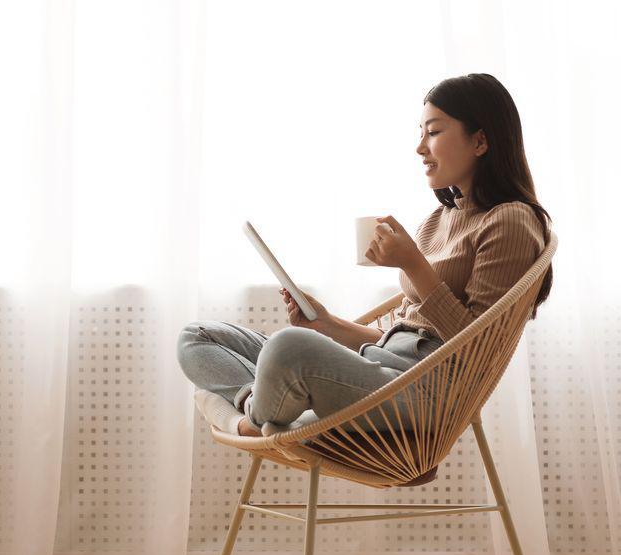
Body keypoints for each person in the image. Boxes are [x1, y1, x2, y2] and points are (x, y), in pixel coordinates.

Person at [177, 73, 554, 437]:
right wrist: (326, 323)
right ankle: (258, 410)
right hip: (379, 367)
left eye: (434, 132)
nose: (420, 148)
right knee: (197, 337)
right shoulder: (439, 219)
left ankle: (245, 413)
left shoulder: (512, 221)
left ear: (481, 141)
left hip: (425, 392)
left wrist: (413, 264)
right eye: (420, 134)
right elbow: (400, 336)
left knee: (285, 349)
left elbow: (474, 348)